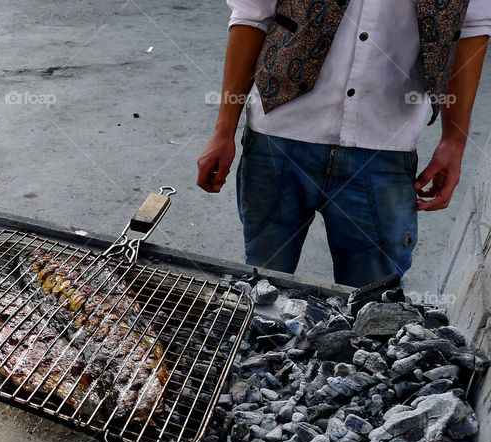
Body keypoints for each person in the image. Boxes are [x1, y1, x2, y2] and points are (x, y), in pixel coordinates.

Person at [197, 0, 490, 287]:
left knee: (374, 309)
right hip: (278, 136)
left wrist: (454, 140)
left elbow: (472, 27)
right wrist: (224, 129)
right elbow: (252, 15)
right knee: (264, 290)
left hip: (385, 144)